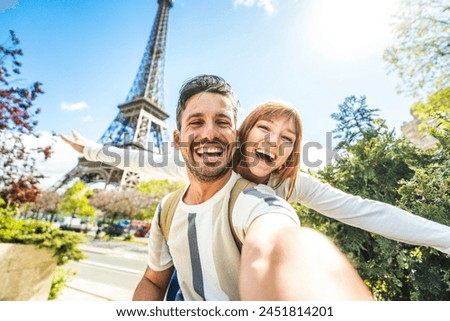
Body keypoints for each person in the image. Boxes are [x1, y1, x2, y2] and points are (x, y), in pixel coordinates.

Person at [63, 75, 373, 300]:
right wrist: (91, 150)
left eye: (222, 122)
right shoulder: (167, 210)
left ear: (236, 136)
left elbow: (277, 241)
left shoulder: (257, 200)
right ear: (176, 139)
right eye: (196, 122)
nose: (209, 133)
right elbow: (153, 281)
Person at [62, 102, 450, 256]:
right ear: (245, 132)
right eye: (264, 129)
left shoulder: (291, 182)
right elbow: (147, 160)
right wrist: (93, 151)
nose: (272, 142)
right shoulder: (211, 161)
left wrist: (445, 238)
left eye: (287, 139)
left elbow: (366, 212)